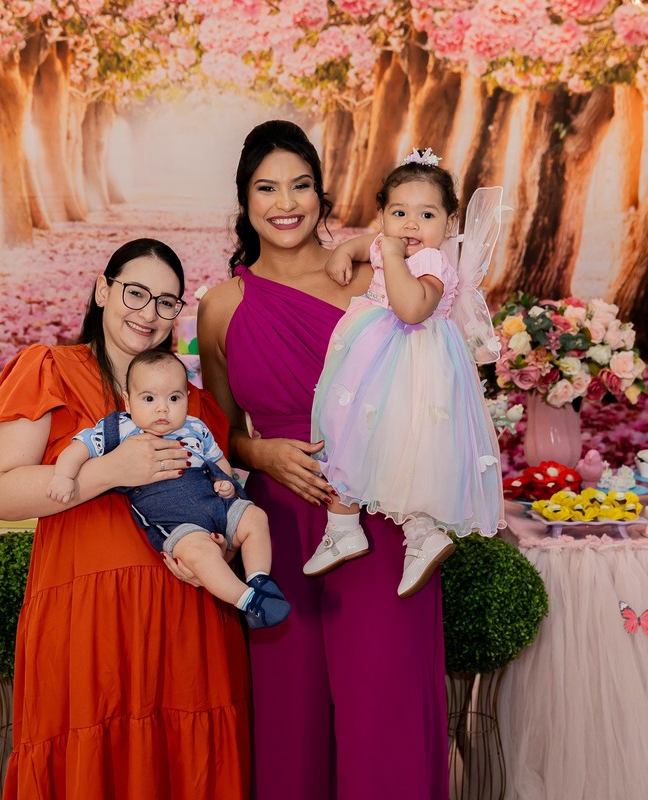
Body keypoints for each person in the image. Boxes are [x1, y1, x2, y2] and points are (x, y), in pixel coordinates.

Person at [197, 120, 447, 799]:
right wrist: (261, 453)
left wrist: (370, 244)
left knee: (383, 711)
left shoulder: (372, 275)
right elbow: (218, 431)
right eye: (267, 188)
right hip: (277, 528)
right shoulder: (221, 307)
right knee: (290, 716)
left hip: (380, 516)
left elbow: (434, 369)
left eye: (300, 185)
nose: (286, 203)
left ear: (321, 193)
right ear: (244, 200)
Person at [0, 238, 251, 799]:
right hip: (86, 623)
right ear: (103, 290)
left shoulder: (195, 406)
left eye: (167, 302)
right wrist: (108, 470)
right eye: (135, 293)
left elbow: (220, 503)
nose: (148, 313)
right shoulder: (48, 370)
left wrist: (218, 548)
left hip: (186, 624)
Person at [307, 149, 505, 597]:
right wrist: (346, 249)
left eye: (426, 215)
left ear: (449, 224)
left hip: (414, 368)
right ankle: (342, 527)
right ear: (382, 216)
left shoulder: (432, 263)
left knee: (408, 449)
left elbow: (412, 309)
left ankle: (423, 534)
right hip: (371, 362)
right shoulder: (386, 241)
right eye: (399, 213)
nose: (411, 225)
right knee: (345, 432)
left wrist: (393, 257)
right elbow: (370, 244)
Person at [47, 348, 290, 628]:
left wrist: (225, 483)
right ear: (128, 401)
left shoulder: (196, 428)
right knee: (201, 555)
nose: (162, 408)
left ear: (186, 398)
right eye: (149, 398)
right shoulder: (119, 429)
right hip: (177, 521)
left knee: (255, 517)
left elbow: (218, 460)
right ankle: (249, 602)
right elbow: (79, 448)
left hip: (215, 503)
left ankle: (259, 579)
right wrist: (64, 476)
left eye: (174, 398)